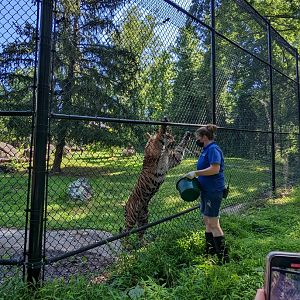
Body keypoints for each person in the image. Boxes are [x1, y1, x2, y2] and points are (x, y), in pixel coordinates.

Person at [184, 124, 229, 264]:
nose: (197, 139)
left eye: (198, 137)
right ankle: (210, 253)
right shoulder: (205, 149)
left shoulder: (213, 149)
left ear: (204, 137)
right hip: (205, 190)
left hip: (213, 190)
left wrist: (196, 173)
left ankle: (223, 258)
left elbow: (215, 169)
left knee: (214, 223)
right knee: (207, 221)